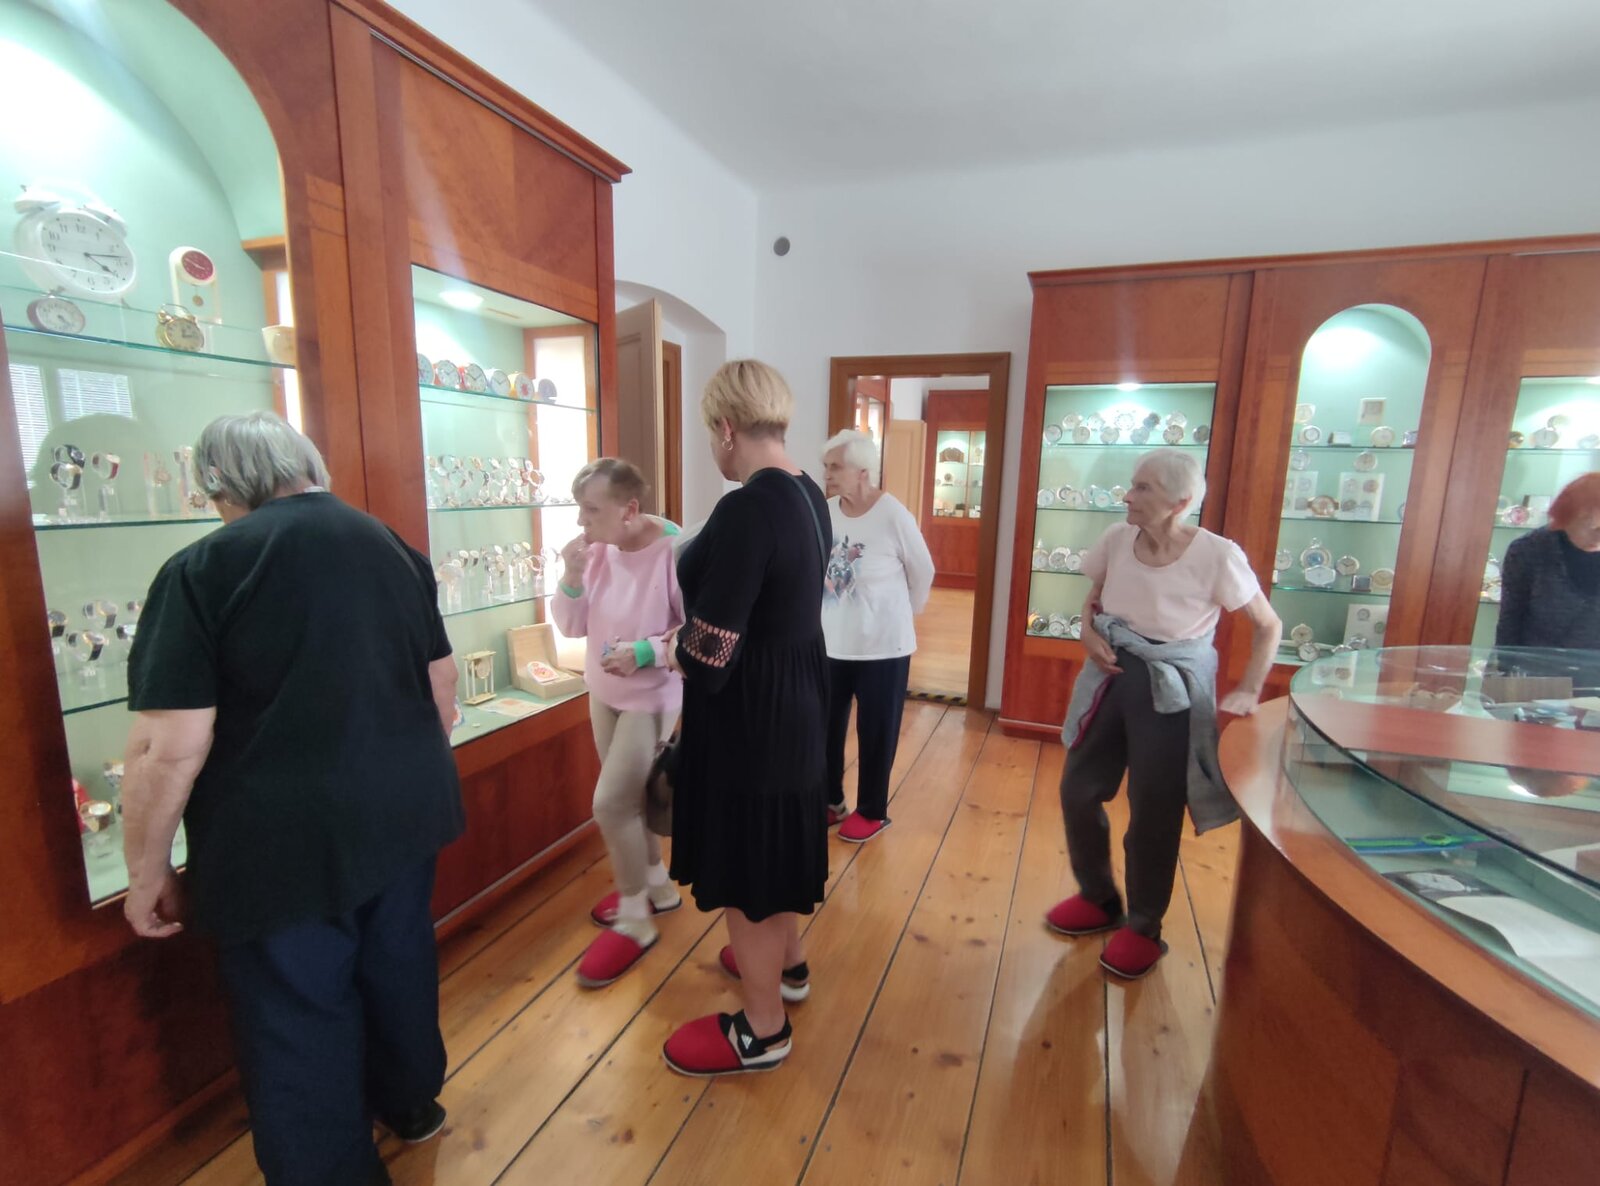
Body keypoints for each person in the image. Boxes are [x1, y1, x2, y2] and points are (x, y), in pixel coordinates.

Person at [118, 412, 463, 1186]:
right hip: (407, 809)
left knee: (297, 1009)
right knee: (397, 961)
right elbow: (441, 686)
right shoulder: (392, 546)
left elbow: (169, 745)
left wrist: (147, 870)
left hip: (281, 840)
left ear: (219, 485)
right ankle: (410, 1102)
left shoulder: (204, 567)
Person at [1045, 448, 1280, 979]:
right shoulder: (1117, 539)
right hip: (1111, 675)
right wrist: (1086, 632)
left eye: (1143, 488)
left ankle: (1143, 925)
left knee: (1154, 810)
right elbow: (1094, 599)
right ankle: (1099, 897)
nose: (1127, 495)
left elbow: (1269, 625)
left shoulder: (1217, 555)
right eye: (1132, 484)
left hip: (1171, 689)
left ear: (1181, 502)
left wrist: (1249, 688)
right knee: (1078, 788)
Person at [659, 359, 831, 1076]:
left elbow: (710, 653)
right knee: (775, 847)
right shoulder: (808, 491)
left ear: (726, 428)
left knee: (751, 868)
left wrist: (664, 649)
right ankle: (787, 966)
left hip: (752, 716)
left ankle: (763, 1031)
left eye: (711, 434)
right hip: (798, 699)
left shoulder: (746, 508)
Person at [551, 458, 685, 987]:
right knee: (629, 802)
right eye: (579, 509)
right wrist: (571, 577)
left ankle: (635, 919)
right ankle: (657, 886)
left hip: (650, 697)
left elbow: (693, 631)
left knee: (610, 804)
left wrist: (644, 653)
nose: (581, 522)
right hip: (603, 692)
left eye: (591, 510)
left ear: (629, 509)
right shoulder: (597, 552)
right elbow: (570, 626)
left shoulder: (674, 551)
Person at [820, 428, 934, 842]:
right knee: (825, 727)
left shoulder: (893, 515)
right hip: (832, 642)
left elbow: (923, 571)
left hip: (884, 646)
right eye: (826, 466)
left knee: (876, 731)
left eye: (836, 467)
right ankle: (830, 801)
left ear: (862, 472)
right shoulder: (826, 511)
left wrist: (903, 614)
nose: (827, 474)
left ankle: (872, 811)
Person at [1496, 472, 1600, 651]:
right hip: (1537, 665)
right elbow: (1510, 622)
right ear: (1582, 513)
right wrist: (1506, 664)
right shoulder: (1528, 550)